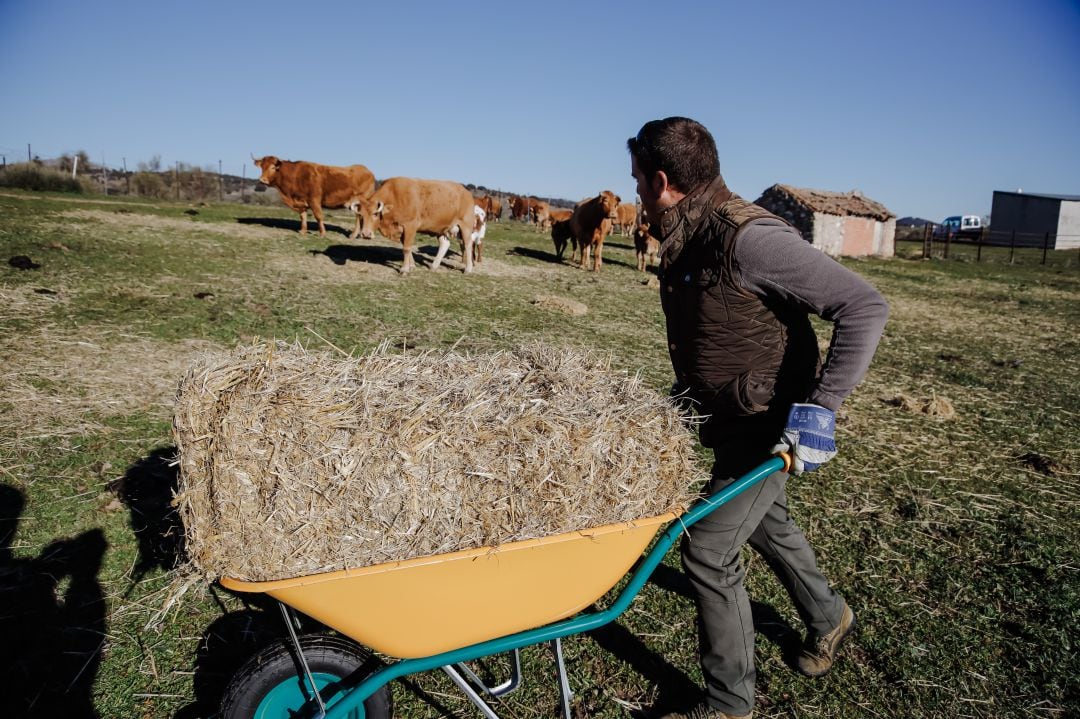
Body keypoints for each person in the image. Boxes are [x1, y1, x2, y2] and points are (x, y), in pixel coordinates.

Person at [627, 117, 889, 719]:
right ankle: (829, 615)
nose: (635, 189)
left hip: (771, 423)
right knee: (767, 522)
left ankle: (729, 704)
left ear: (662, 180)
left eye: (638, 179)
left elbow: (864, 306)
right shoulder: (690, 232)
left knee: (708, 549)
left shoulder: (749, 238)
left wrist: (820, 411)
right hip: (734, 414)